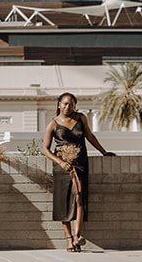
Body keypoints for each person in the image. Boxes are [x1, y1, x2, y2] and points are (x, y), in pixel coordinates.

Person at [40, 92, 113, 252]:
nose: (68, 107)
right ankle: (69, 239)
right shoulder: (53, 124)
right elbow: (45, 149)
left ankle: (78, 235)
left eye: (71, 104)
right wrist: (61, 162)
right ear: (59, 104)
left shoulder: (81, 118)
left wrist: (104, 152)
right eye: (65, 103)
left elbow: (90, 137)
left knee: (79, 198)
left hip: (80, 164)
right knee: (63, 203)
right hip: (62, 167)